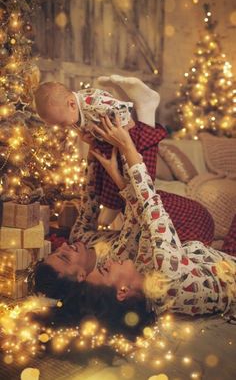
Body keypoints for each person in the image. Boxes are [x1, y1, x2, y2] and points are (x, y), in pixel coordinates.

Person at [33, 115, 236, 334]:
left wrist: (104, 163)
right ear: (122, 291)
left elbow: (136, 215)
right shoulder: (166, 279)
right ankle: (143, 121)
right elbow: (152, 210)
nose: (110, 262)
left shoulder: (144, 275)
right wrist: (128, 150)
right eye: (103, 270)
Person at [34, 76, 166, 225]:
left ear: (71, 104)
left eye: (63, 123)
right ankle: (111, 204)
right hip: (106, 142)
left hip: (125, 135)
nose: (64, 127)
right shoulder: (73, 109)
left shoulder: (93, 105)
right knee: (101, 171)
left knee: (141, 172)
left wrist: (125, 128)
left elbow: (120, 108)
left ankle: (113, 205)